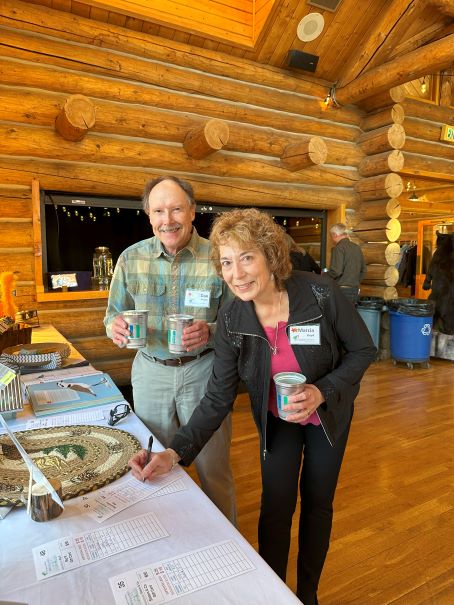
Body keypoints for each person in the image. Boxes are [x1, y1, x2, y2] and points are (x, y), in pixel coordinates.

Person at [129, 208, 376, 605]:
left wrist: (321, 391)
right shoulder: (231, 318)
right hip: (277, 421)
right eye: (226, 262)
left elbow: (364, 351)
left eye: (246, 258)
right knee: (275, 507)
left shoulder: (320, 294)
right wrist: (175, 451)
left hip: (326, 417)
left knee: (317, 503)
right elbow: (217, 396)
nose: (237, 273)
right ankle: (273, 592)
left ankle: (307, 594)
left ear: (271, 258)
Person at [104, 176, 236, 523]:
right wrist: (114, 327)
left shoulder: (219, 258)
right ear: (148, 215)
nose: (168, 219)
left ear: (192, 211)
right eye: (159, 210)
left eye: (177, 208)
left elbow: (240, 324)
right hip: (150, 371)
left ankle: (226, 544)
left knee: (213, 468)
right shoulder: (130, 259)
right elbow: (112, 316)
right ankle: (166, 534)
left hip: (204, 372)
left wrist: (211, 330)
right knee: (150, 460)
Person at [325, 223, 366, 304]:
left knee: (340, 315)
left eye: (331, 236)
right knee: (350, 315)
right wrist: (355, 282)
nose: (332, 239)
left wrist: (325, 275)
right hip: (354, 289)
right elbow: (364, 270)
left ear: (335, 235)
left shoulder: (338, 248)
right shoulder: (356, 247)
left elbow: (336, 271)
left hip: (341, 289)